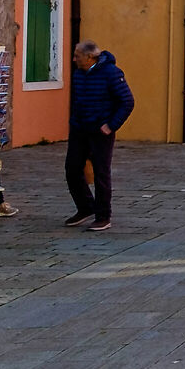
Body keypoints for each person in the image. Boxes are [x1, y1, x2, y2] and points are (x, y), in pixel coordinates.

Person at [65, 41, 133, 230]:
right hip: (79, 128)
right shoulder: (78, 73)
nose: (74, 59)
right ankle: (86, 207)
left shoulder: (111, 73)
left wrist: (111, 125)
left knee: (101, 172)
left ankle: (103, 216)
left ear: (90, 57)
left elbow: (127, 102)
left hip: (100, 131)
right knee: (72, 169)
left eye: (77, 55)